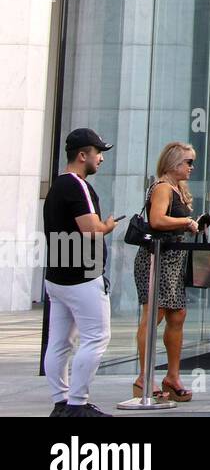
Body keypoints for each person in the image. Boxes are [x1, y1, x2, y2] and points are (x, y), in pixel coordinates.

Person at [43, 129, 117, 417]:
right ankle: (77, 403)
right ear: (82, 155)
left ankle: (61, 403)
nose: (100, 158)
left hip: (58, 275)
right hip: (82, 276)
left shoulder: (57, 187)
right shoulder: (77, 185)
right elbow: (90, 229)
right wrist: (107, 226)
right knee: (96, 337)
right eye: (98, 152)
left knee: (59, 342)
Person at [133, 142, 201, 402]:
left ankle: (172, 377)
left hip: (173, 260)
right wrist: (186, 221)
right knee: (154, 314)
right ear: (174, 163)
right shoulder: (162, 187)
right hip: (156, 259)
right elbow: (157, 220)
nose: (191, 167)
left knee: (177, 315)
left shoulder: (177, 189)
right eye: (188, 162)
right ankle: (144, 377)